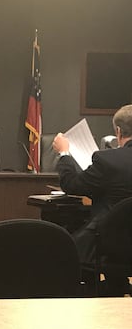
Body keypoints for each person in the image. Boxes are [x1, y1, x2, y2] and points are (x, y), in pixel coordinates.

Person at [52, 103, 132, 295]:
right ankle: (117, 285)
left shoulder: (108, 160)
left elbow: (72, 184)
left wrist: (64, 153)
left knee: (62, 247)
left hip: (110, 244)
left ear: (118, 132)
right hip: (123, 243)